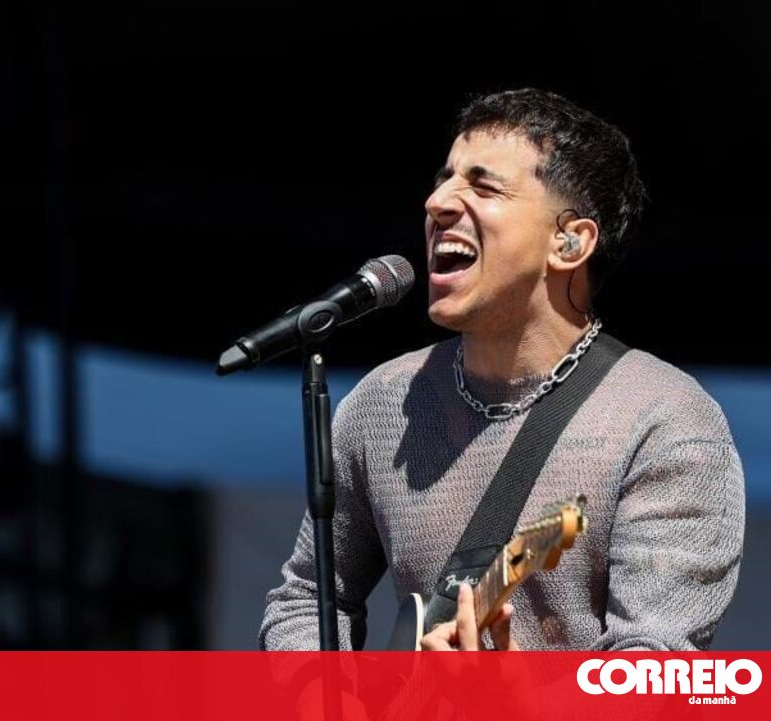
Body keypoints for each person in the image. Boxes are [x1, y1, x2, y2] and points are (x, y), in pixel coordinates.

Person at [260, 88, 745, 652]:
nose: (438, 201)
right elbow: (307, 598)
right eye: (444, 179)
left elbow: (653, 672)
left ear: (569, 242)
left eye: (483, 186)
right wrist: (331, 692)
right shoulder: (384, 404)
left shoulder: (665, 423)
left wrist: (519, 695)